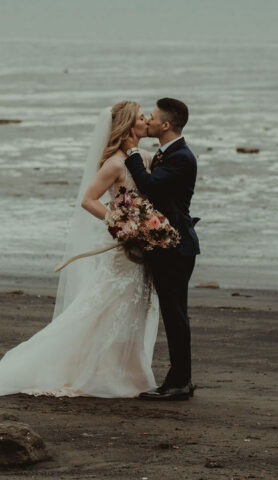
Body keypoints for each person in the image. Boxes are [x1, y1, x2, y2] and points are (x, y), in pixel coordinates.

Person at [0, 100, 160, 398]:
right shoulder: (114, 164)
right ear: (127, 126)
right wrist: (120, 223)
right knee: (107, 307)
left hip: (143, 246)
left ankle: (130, 373)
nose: (147, 120)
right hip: (122, 247)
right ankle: (90, 371)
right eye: (141, 116)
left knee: (135, 308)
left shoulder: (146, 157)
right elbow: (89, 199)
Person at [123, 97, 199, 401]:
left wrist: (130, 153)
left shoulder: (182, 157)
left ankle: (180, 382)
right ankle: (181, 379)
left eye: (152, 117)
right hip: (168, 245)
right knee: (174, 313)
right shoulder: (167, 153)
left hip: (176, 247)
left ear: (166, 125)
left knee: (175, 314)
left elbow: (150, 185)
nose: (149, 121)